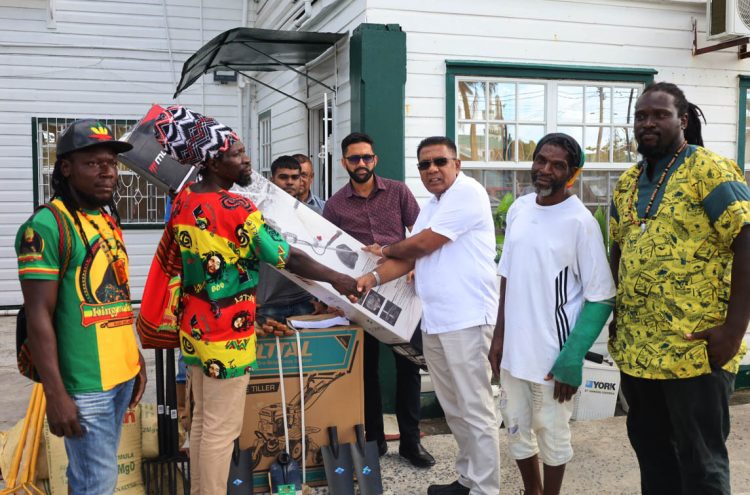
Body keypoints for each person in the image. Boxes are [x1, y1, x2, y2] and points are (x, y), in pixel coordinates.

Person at [145, 106, 360, 495]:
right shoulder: (235, 208)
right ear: (213, 161)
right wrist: (339, 278)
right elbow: (286, 256)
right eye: (238, 154)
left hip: (194, 326)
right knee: (221, 429)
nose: (247, 161)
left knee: (200, 421)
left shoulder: (185, 200)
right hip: (227, 332)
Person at [608, 82, 750, 495]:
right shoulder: (629, 182)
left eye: (659, 115)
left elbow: (746, 236)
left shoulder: (709, 169)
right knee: (653, 455)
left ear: (682, 120)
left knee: (701, 463)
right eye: (641, 116)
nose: (648, 123)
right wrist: (619, 316)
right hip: (639, 349)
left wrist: (734, 328)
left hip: (696, 347)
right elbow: (620, 247)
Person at [355, 136, 500, 495]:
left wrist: (384, 248)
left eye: (440, 162)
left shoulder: (467, 193)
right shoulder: (433, 205)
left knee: (475, 407)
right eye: (424, 164)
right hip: (435, 320)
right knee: (454, 406)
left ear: (457, 164)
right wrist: (367, 280)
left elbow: (420, 244)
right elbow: (409, 257)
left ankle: (484, 489)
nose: (432, 170)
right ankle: (468, 478)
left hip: (467, 319)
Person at [15, 119, 147, 494]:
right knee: (95, 485)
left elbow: (116, 293)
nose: (107, 173)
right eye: (93, 163)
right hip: (85, 385)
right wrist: (56, 395)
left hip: (120, 375)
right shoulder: (45, 226)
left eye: (111, 163)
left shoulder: (105, 217)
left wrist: (134, 359)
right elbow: (38, 315)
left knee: (95, 480)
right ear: (66, 168)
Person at [488, 133, 616, 495]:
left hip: (553, 358)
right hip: (514, 353)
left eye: (557, 165)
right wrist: (499, 336)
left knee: (553, 435)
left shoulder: (581, 223)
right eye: (541, 160)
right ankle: (532, 491)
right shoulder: (520, 208)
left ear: (572, 173)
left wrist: (572, 358)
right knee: (515, 428)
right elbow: (507, 275)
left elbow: (601, 297)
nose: (545, 170)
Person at [323, 132, 434, 468]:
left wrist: (415, 264)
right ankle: (375, 442)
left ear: (375, 159)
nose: (362, 164)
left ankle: (411, 444)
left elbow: (419, 231)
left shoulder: (398, 191)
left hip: (401, 287)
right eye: (354, 158)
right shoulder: (335, 204)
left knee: (409, 366)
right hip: (361, 293)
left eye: (367, 157)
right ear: (344, 163)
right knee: (365, 371)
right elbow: (328, 252)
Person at [256, 156, 326, 325]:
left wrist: (324, 301)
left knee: (308, 352)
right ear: (272, 179)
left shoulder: (315, 214)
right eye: (283, 177)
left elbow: (325, 258)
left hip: (305, 301)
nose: (290, 182)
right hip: (266, 304)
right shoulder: (256, 213)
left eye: (295, 177)